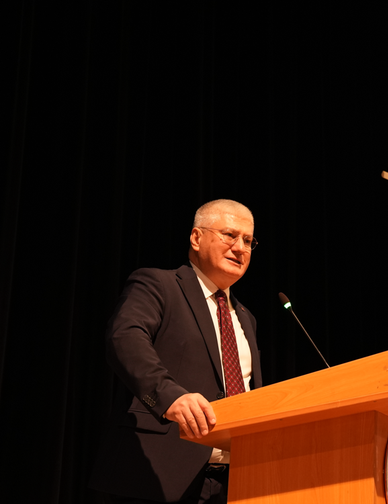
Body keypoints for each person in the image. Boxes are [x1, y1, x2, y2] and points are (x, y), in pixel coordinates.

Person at [90, 199, 262, 503]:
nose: (241, 248)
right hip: (156, 475)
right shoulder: (159, 284)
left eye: (248, 240)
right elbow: (124, 338)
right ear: (196, 238)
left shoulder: (246, 318)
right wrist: (169, 396)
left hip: (235, 483)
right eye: (229, 235)